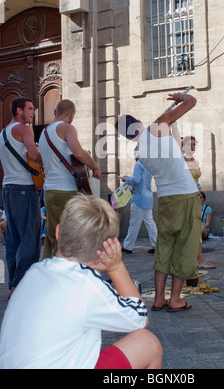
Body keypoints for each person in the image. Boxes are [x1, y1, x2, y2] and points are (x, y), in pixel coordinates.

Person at [0, 193, 162, 369]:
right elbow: (140, 318)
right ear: (106, 249)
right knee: (148, 344)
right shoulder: (86, 284)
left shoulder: (36, 271)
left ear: (58, 232)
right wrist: (116, 267)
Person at [116, 91, 200, 312]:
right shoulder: (155, 128)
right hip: (185, 195)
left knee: (164, 247)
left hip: (164, 198)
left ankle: (159, 298)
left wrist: (170, 111)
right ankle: (175, 299)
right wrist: (181, 96)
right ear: (140, 123)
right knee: (185, 246)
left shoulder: (140, 151)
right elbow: (191, 101)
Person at [39, 99, 101, 259]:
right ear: (72, 114)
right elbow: (79, 153)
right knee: (68, 238)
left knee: (52, 238)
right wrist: (95, 167)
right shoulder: (67, 128)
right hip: (66, 191)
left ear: (55, 111)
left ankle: (45, 273)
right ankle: (64, 276)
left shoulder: (44, 133)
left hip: (49, 191)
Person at [0, 97, 42, 299]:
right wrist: (50, 161)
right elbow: (34, 155)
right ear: (19, 110)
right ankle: (19, 286)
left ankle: (13, 284)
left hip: (8, 189)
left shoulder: (3, 132)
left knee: (13, 241)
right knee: (30, 240)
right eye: (30, 108)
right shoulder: (24, 129)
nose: (33, 112)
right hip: (24, 190)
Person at [182, 135, 215, 269]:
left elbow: (197, 181)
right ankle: (197, 259)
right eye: (190, 144)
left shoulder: (194, 160)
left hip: (195, 196)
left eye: (195, 144)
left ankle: (197, 259)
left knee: (194, 230)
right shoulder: (181, 161)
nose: (193, 147)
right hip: (185, 197)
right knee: (191, 230)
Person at [121, 153, 157, 254]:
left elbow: (136, 180)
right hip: (148, 197)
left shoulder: (138, 164)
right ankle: (156, 244)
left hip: (139, 198)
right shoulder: (149, 164)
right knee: (150, 223)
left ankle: (128, 246)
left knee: (134, 223)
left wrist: (125, 179)